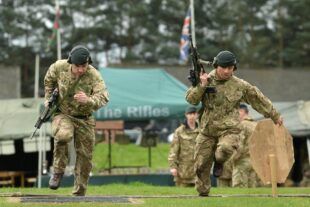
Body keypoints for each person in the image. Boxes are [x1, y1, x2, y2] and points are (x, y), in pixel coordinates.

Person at [185, 50, 283, 196]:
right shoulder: (205, 79)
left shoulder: (240, 85)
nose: (226, 71)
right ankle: (203, 194)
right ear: (216, 66)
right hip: (207, 130)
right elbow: (191, 100)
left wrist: (275, 116)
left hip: (229, 129)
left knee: (224, 149)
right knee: (200, 164)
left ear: (234, 68)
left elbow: (259, 100)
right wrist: (202, 85)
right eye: (223, 67)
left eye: (230, 68)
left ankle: (219, 161)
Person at [44, 45, 109, 196]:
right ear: (71, 62)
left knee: (85, 158)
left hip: (85, 119)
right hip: (63, 114)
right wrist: (48, 98)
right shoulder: (59, 67)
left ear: (88, 63)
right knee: (63, 136)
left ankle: (79, 193)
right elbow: (49, 80)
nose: (81, 69)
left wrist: (89, 100)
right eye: (77, 66)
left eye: (84, 66)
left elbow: (104, 97)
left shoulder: (94, 75)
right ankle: (58, 171)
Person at [231, 103, 262, 187]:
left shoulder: (242, 125)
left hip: (242, 162)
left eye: (237, 112)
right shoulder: (256, 125)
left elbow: (239, 144)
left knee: (239, 190)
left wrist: (233, 159)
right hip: (254, 162)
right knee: (251, 191)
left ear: (242, 111)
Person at [168, 106, 199, 187]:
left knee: (201, 197)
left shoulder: (202, 130)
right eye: (189, 114)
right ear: (186, 115)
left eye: (194, 114)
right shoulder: (179, 131)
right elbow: (173, 150)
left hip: (199, 171)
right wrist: (173, 167)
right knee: (183, 196)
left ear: (197, 115)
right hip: (183, 172)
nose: (192, 116)